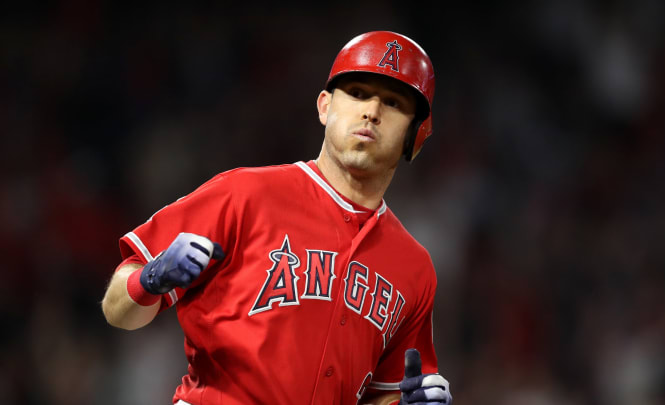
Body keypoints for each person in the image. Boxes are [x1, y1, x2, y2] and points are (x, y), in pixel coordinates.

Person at [101, 30, 452, 405]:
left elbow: (381, 394)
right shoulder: (244, 194)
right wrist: (150, 278)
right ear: (324, 106)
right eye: (358, 93)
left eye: (394, 103)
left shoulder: (414, 268)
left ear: (417, 135)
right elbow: (116, 311)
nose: (371, 112)